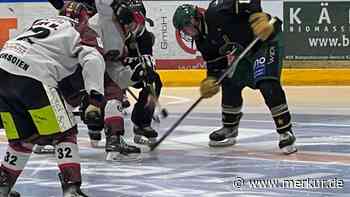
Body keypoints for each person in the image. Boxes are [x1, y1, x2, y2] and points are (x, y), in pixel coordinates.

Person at [0, 3, 106, 196]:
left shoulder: (39, 22)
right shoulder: (83, 30)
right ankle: (72, 188)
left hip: (3, 72)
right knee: (64, 133)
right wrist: (95, 99)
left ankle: (2, 186)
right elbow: (93, 60)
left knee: (22, 139)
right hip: (35, 75)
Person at [172, 1, 297, 154]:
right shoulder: (202, 42)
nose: (188, 32)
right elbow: (216, 64)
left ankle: (285, 131)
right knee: (229, 80)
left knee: (266, 83)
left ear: (196, 18)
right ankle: (229, 127)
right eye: (184, 30)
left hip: (265, 40)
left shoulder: (217, 11)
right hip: (245, 51)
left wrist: (258, 16)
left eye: (187, 26)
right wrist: (211, 79)